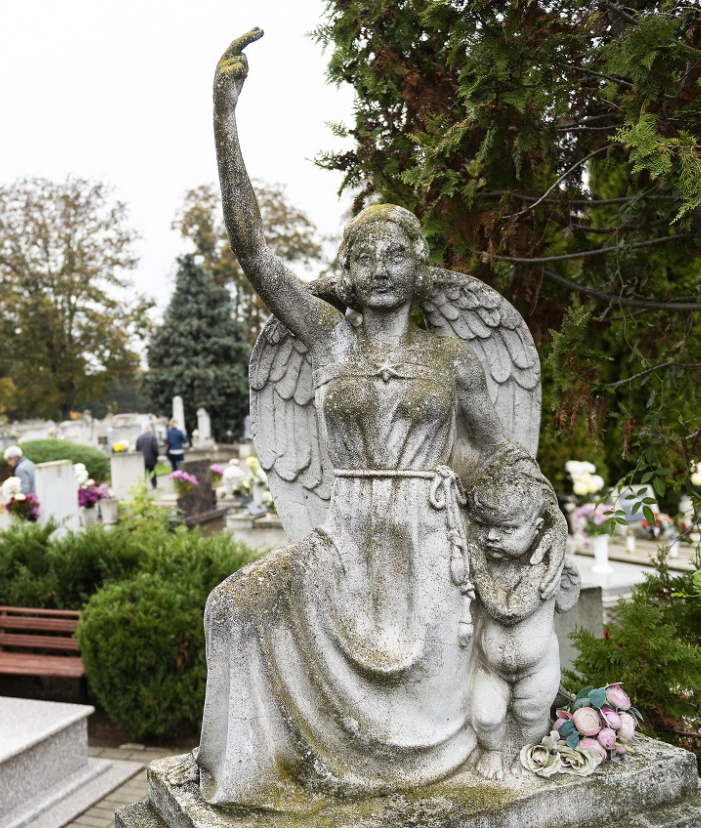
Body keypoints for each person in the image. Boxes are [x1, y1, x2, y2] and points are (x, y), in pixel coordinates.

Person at [194, 29, 527, 808]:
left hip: (426, 549)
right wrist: (224, 118)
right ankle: (252, 774)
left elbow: (505, 457)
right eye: (363, 256)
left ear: (419, 266)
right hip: (340, 542)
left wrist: (526, 546)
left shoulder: (455, 360)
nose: (378, 268)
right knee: (233, 606)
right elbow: (252, 248)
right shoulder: (324, 340)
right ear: (345, 272)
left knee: (419, 685)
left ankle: (427, 751)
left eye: (394, 255)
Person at [466, 451, 573, 781]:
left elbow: (507, 610)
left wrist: (478, 567)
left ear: (537, 528)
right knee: (484, 717)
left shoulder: (542, 566)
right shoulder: (491, 554)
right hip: (490, 666)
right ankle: (492, 749)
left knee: (531, 715)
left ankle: (527, 753)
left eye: (507, 528)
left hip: (537, 667)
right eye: (485, 527)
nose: (492, 537)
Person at [134, 425, 160, 489]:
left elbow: (137, 448)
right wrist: (156, 456)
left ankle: (143, 486)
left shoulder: (139, 438)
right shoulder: (152, 437)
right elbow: (155, 448)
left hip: (142, 459)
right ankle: (154, 485)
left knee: (143, 473)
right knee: (152, 472)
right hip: (151, 458)